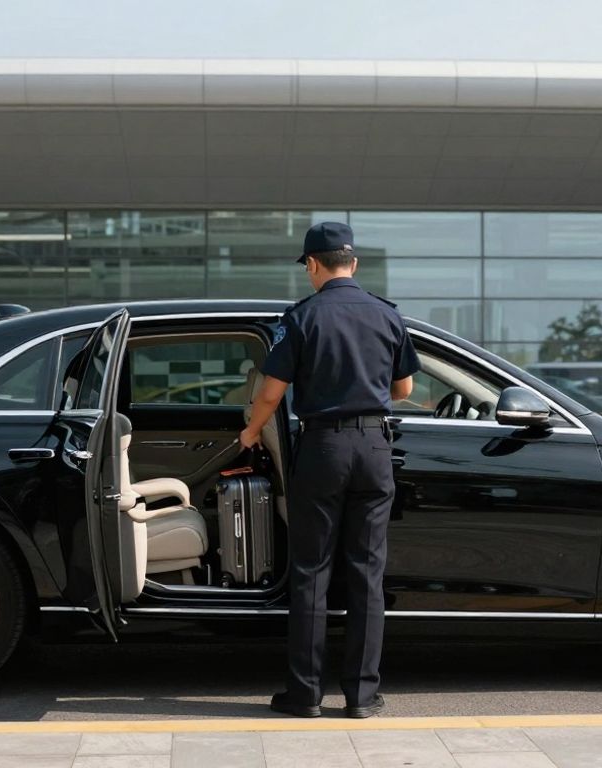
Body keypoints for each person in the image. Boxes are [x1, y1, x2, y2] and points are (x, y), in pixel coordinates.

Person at [239, 221, 420, 719]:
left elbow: (271, 393)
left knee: (312, 572)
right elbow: (404, 389)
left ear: (313, 265)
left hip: (323, 448)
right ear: (353, 263)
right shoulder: (387, 314)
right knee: (367, 574)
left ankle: (305, 695)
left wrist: (251, 432)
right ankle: (362, 697)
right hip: (374, 448)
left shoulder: (302, 317)